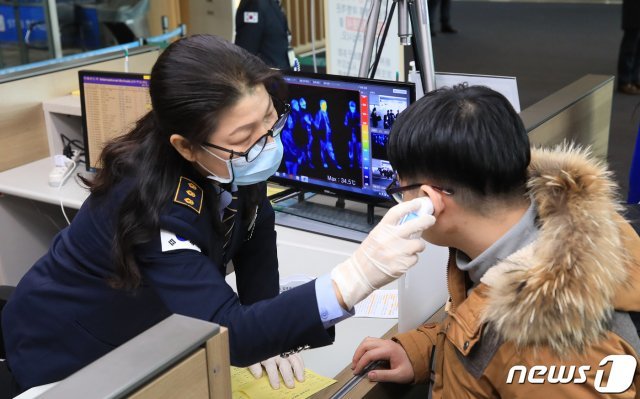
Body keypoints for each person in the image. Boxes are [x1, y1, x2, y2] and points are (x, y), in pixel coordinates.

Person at [1, 35, 435, 395]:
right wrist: (350, 281)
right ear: (185, 146)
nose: (267, 144)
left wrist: (274, 330)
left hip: (151, 326)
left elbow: (255, 233)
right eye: (246, 136)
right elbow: (231, 333)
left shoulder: (233, 157)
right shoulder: (154, 205)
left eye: (270, 119)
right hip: (71, 346)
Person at [351, 85, 640, 397]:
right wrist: (426, 351)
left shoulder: (548, 341)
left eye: (400, 188)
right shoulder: (523, 243)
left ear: (427, 200)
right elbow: (487, 349)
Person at [235, 0, 291, 70]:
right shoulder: (254, 4)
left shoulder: (273, 2)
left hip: (280, 71)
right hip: (265, 76)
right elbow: (246, 52)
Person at [617, 0, 640, 94]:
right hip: (633, 7)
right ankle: (624, 81)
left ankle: (634, 79)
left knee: (638, 46)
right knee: (630, 45)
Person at [344, 100, 361, 168]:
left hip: (357, 135)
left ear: (355, 107)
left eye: (353, 107)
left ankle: (360, 164)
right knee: (351, 150)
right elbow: (345, 123)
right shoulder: (347, 114)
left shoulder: (358, 114)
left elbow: (361, 124)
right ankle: (351, 163)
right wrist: (348, 124)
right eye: (351, 107)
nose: (352, 108)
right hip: (350, 135)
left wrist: (356, 125)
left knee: (359, 150)